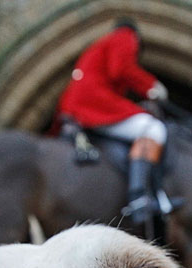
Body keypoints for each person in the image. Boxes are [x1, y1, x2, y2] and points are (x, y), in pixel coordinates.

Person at [56, 18, 182, 223]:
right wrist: (151, 87)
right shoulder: (125, 37)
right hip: (93, 104)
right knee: (153, 129)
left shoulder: (99, 46)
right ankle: (139, 197)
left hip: (75, 105)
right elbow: (121, 69)